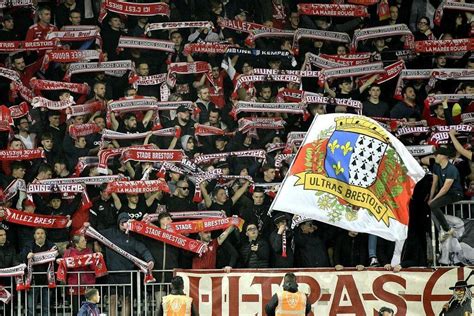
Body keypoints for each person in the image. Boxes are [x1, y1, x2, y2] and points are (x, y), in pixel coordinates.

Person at [429, 146, 464, 241]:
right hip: (445, 193)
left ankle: (447, 229)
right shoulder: (436, 166)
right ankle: (443, 228)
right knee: (431, 204)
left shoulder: (451, 169)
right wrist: (430, 198)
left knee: (433, 204)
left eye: (436, 155)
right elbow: (434, 184)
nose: (434, 156)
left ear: (443, 156)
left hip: (455, 193)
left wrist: (433, 200)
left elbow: (445, 188)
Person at [63, 235, 96, 315]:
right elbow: (64, 267)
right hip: (74, 285)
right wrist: (61, 262)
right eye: (83, 241)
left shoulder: (89, 251)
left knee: (89, 309)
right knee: (76, 310)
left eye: (85, 240)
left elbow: (94, 267)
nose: (85, 242)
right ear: (76, 244)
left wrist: (97, 258)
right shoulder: (69, 252)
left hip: (88, 284)